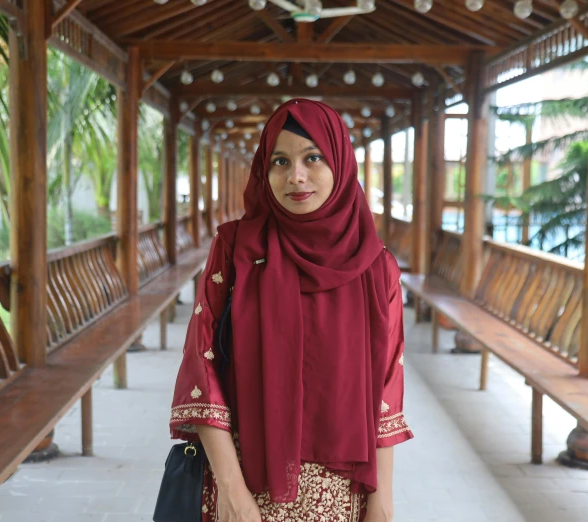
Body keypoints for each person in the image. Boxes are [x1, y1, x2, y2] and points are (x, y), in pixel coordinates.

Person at [169, 98, 413, 522]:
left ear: (340, 163)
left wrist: (383, 501)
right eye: (280, 161)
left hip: (342, 493)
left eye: (313, 157)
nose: (295, 177)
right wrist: (232, 491)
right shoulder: (236, 250)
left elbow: (387, 387)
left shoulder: (377, 267)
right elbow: (201, 367)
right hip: (245, 484)